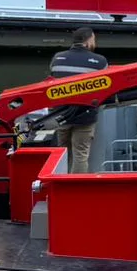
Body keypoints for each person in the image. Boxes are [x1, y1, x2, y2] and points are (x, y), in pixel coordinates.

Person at [40, 26, 108, 173]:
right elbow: (105, 88)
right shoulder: (100, 61)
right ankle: (75, 189)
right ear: (88, 40)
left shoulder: (57, 58)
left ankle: (59, 182)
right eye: (94, 39)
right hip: (85, 116)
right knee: (81, 155)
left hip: (60, 114)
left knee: (62, 153)